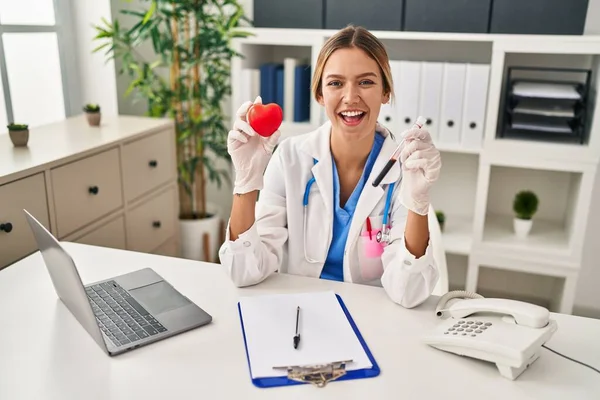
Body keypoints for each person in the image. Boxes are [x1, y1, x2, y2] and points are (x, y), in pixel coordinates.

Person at [218, 25, 442, 308]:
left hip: (371, 320)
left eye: (366, 82)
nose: (350, 97)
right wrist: (247, 180)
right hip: (297, 314)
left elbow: (409, 292)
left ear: (385, 92)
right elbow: (243, 271)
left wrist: (418, 202)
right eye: (336, 83)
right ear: (320, 94)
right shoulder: (290, 158)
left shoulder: (402, 171)